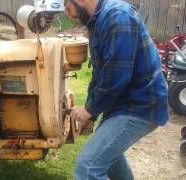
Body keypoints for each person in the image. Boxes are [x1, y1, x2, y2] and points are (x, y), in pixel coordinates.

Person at [64, 0, 170, 179]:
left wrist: (89, 109)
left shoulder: (117, 16)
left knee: (88, 166)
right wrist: (92, 114)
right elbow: (100, 75)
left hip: (140, 105)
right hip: (124, 103)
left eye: (67, 7)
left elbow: (116, 78)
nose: (69, 15)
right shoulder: (97, 22)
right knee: (110, 159)